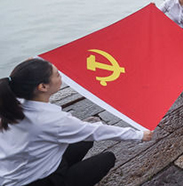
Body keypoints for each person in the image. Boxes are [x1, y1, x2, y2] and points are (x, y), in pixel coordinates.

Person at [0, 59, 153, 186]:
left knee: (86, 136)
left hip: (22, 168)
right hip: (34, 181)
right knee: (107, 158)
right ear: (43, 87)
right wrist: (139, 135)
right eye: (57, 75)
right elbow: (97, 131)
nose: (61, 77)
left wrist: (31, 66)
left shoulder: (13, 102)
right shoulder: (52, 121)